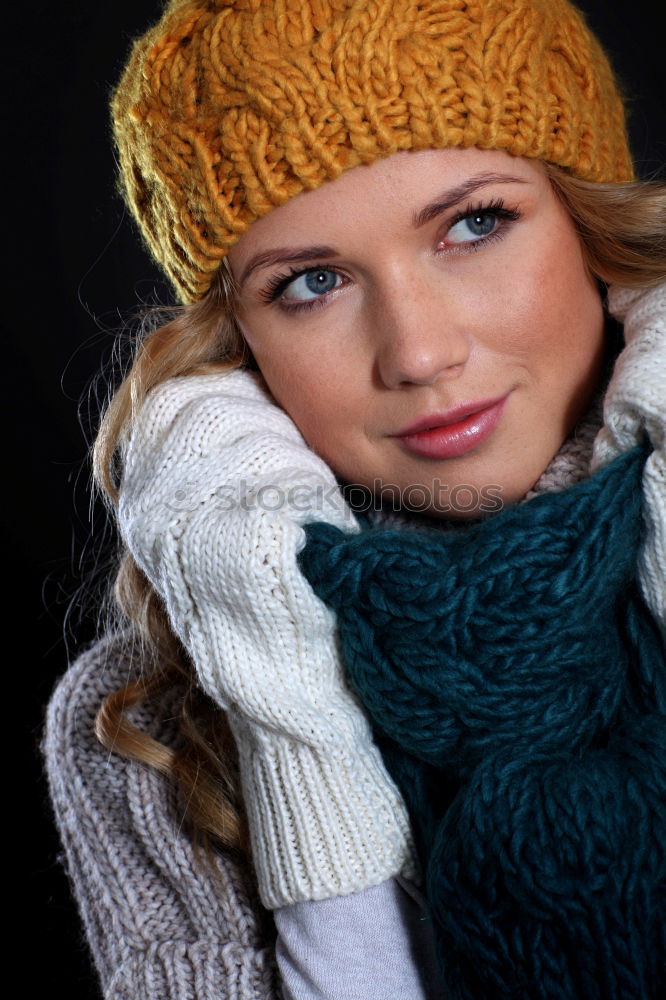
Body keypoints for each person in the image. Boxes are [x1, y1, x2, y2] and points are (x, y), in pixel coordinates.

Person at [43, 0, 666, 997]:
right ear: (236, 351)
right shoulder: (152, 723)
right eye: (314, 282)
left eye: (475, 224)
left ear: (593, 227)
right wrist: (295, 723)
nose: (419, 352)